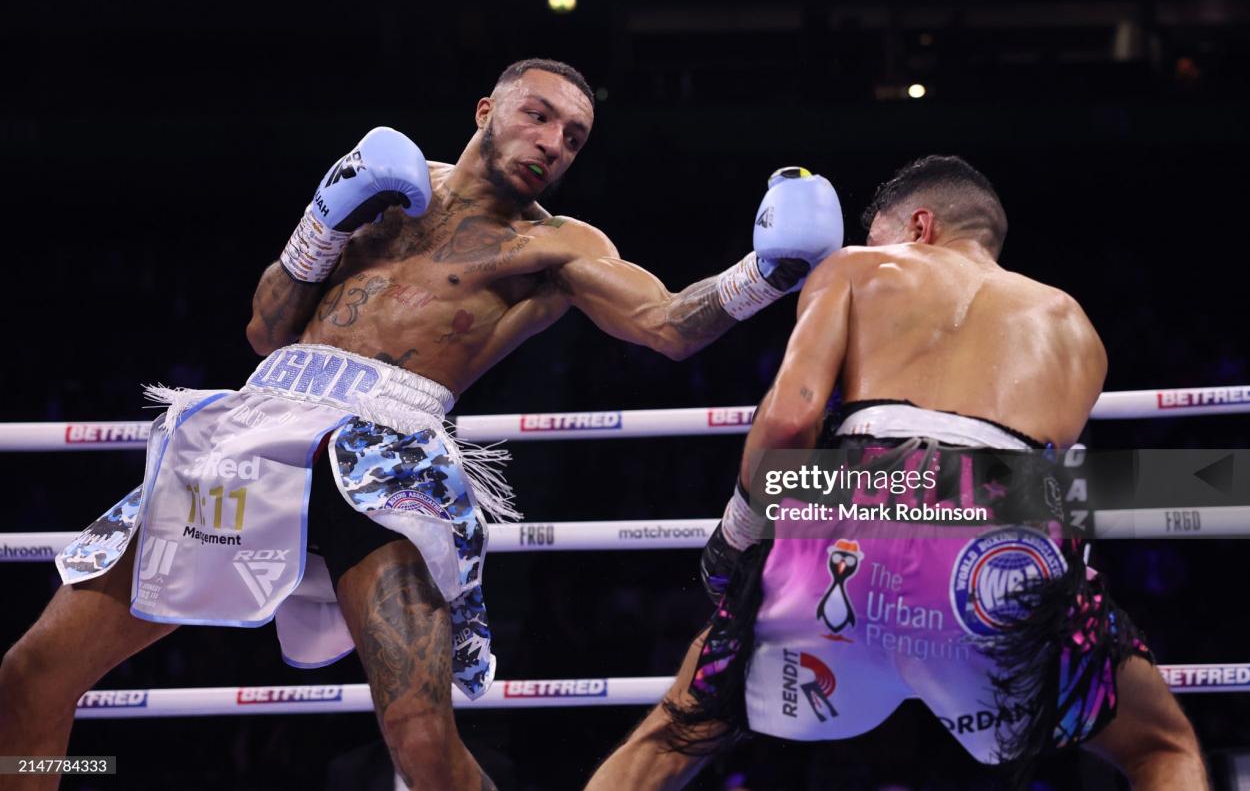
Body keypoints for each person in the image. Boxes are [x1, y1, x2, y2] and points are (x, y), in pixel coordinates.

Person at [0, 58, 843, 791]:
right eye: (538, 115)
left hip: (388, 457)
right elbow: (264, 332)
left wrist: (761, 273)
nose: (553, 143)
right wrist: (323, 218)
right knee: (34, 670)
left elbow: (665, 324)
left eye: (575, 137)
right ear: (488, 111)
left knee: (423, 749)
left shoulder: (556, 248)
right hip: (258, 422)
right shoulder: (388, 191)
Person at [585, 156, 1207, 791]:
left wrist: (739, 537)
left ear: (919, 226)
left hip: (853, 503)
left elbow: (791, 421)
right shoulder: (1075, 326)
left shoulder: (856, 268)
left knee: (671, 738)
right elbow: (1043, 495)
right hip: (1000, 533)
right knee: (1161, 747)